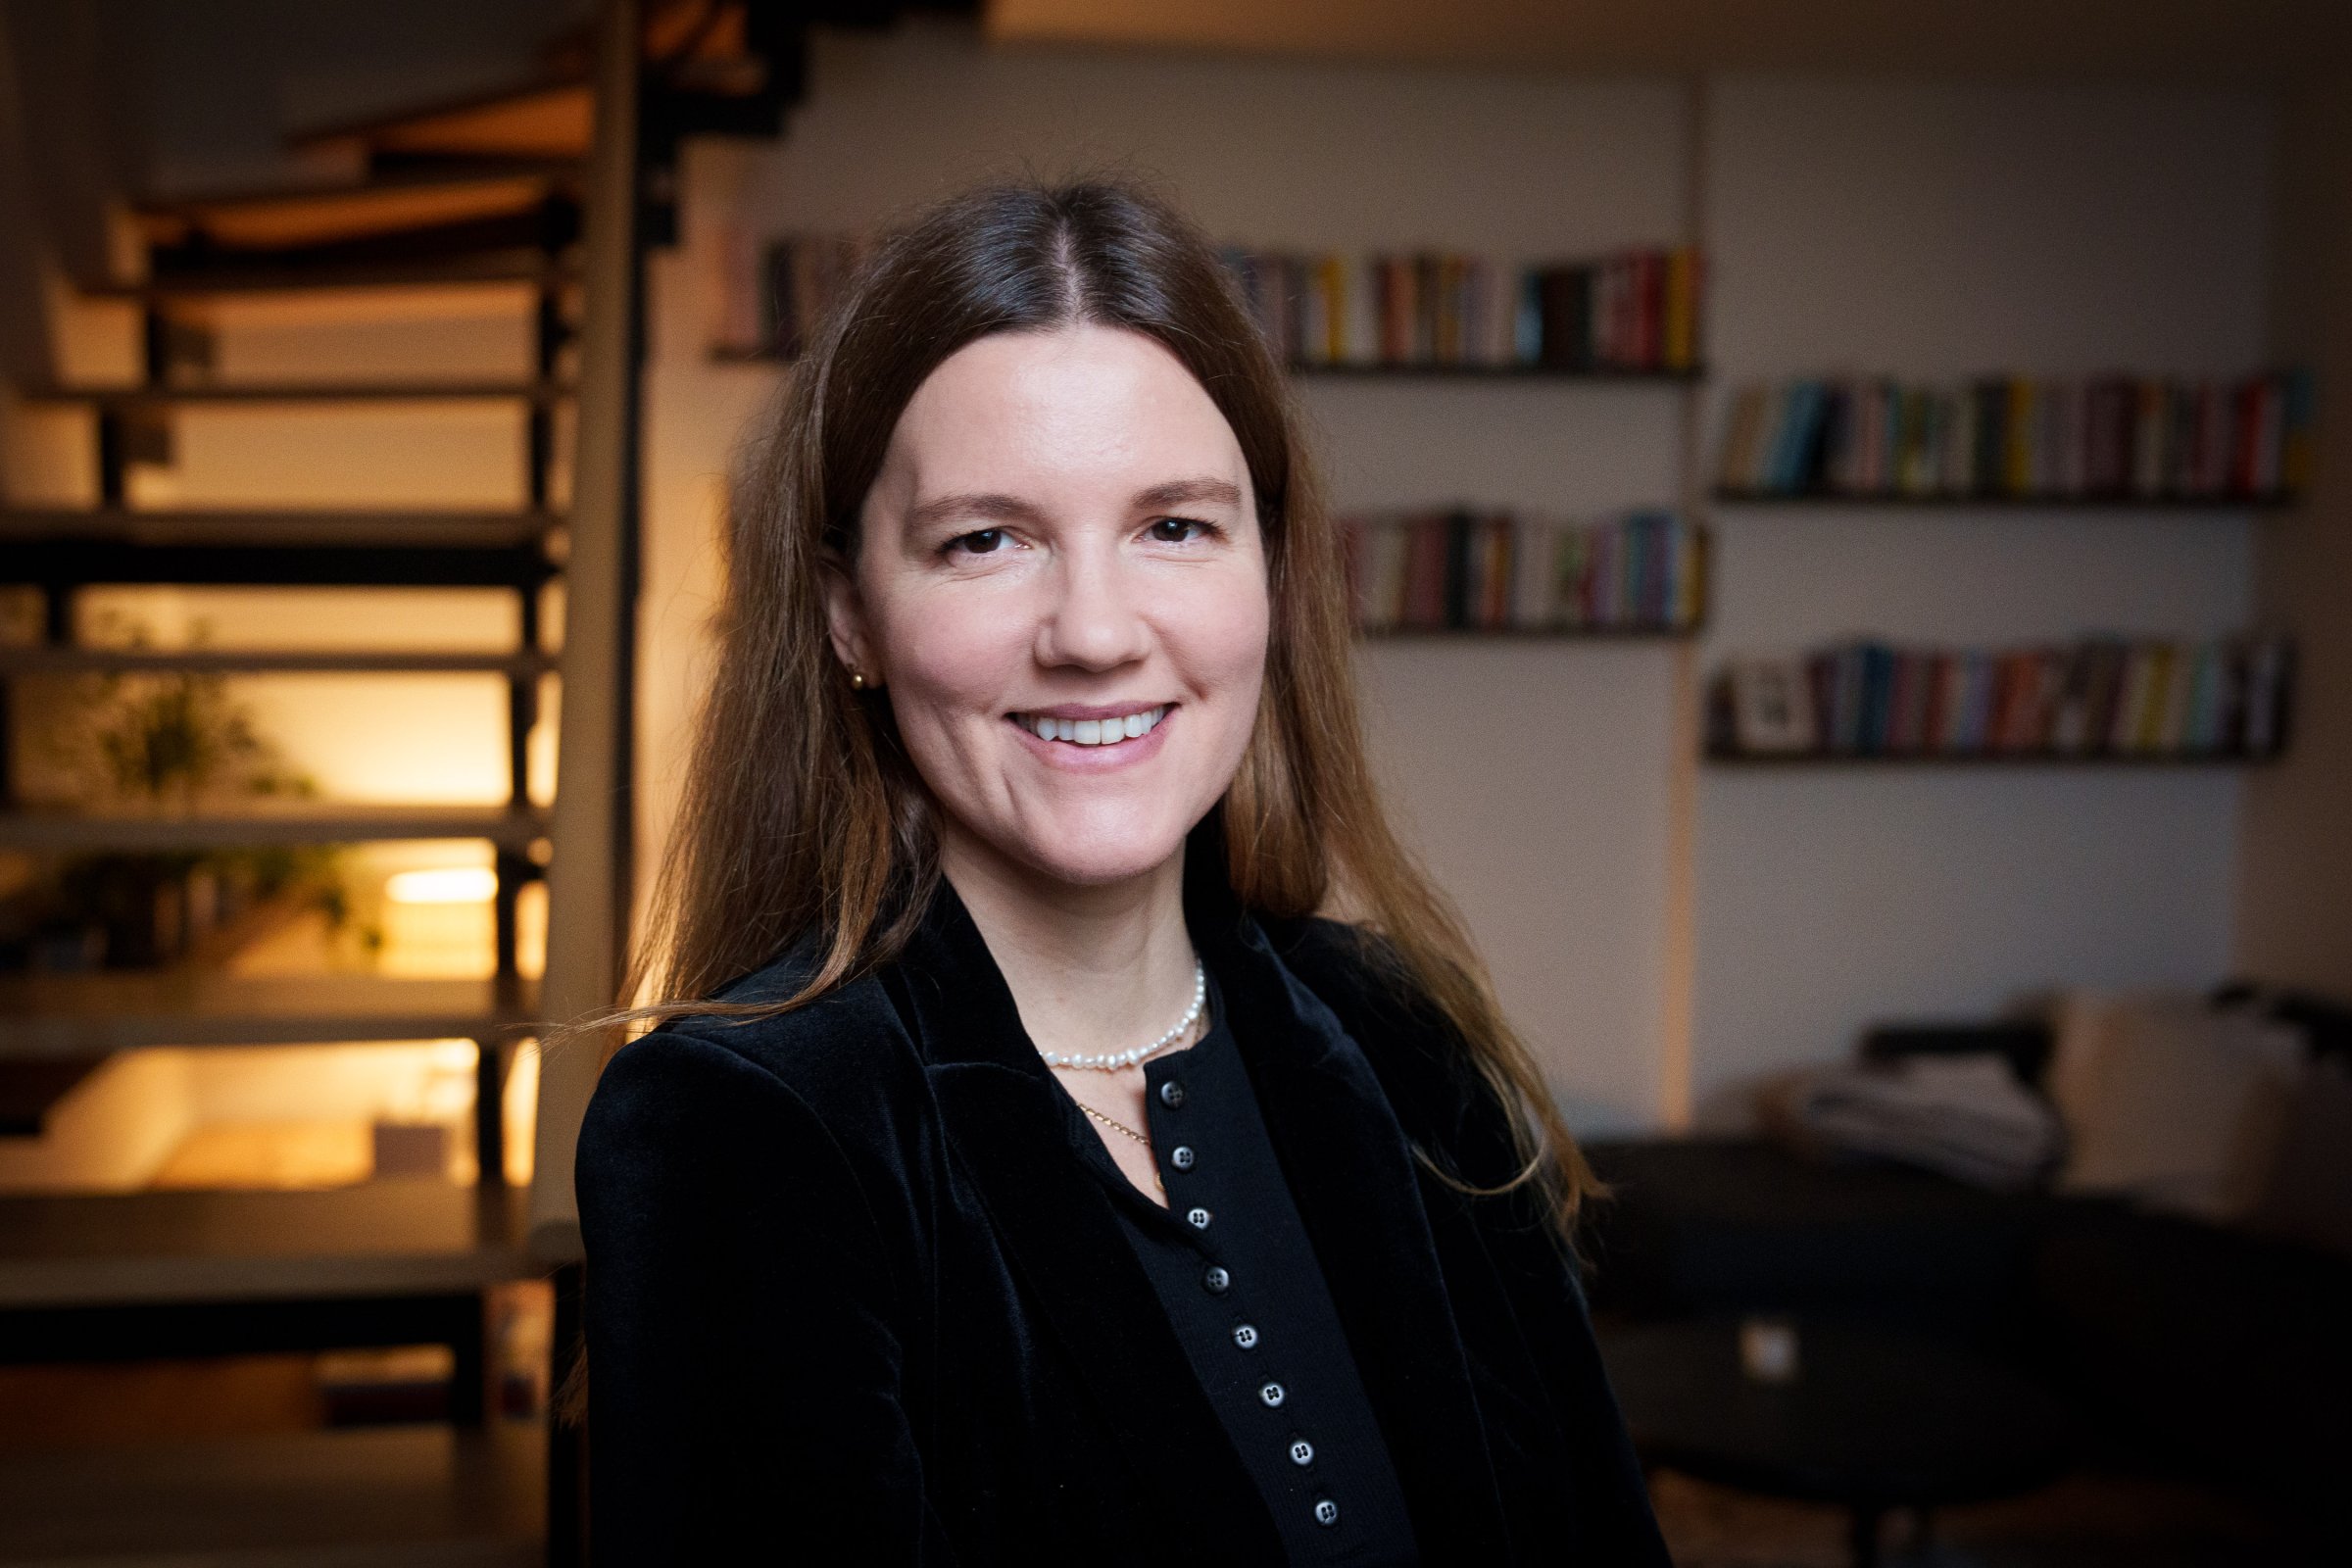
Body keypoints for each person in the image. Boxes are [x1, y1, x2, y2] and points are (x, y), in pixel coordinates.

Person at [573, 175, 1669, 1565]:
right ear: (850, 613)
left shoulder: (1397, 1034)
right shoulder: (748, 1132)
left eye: (1174, 526)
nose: (1093, 633)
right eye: (986, 540)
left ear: (1271, 573)